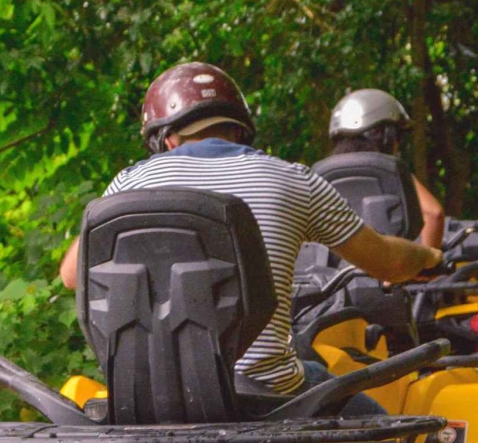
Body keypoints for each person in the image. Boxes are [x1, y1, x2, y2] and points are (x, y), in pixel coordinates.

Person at [60, 62, 440, 415]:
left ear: (167, 140)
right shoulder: (293, 179)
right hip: (266, 397)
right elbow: (389, 262)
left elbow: (70, 275)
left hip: (149, 400)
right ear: (238, 127)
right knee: (390, 436)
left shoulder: (129, 184)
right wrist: (428, 258)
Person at [326, 89, 445, 249]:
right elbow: (433, 214)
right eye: (398, 136)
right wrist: (427, 260)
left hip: (330, 265)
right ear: (386, 135)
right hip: (385, 261)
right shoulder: (389, 172)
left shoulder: (322, 175)